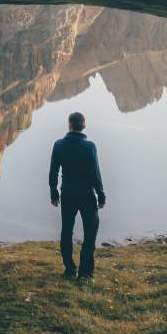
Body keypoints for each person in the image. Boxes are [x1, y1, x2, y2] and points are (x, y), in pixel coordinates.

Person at [47, 112, 107, 280]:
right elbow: (95, 174)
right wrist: (101, 194)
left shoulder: (58, 145)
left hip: (67, 194)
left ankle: (69, 269)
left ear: (70, 126)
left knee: (66, 231)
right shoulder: (90, 146)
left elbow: (53, 172)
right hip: (87, 195)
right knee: (90, 232)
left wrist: (54, 193)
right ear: (84, 126)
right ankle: (85, 273)